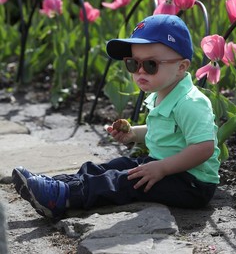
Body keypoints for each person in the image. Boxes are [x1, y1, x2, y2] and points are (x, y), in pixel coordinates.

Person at [12, 14, 221, 219]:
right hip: (162, 165)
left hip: (192, 183)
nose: (140, 72)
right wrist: (133, 135)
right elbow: (169, 132)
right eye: (132, 63)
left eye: (150, 65)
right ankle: (59, 184)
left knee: (122, 181)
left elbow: (203, 148)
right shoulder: (162, 94)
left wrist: (162, 167)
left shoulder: (191, 103)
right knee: (115, 166)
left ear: (181, 67)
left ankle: (64, 197)